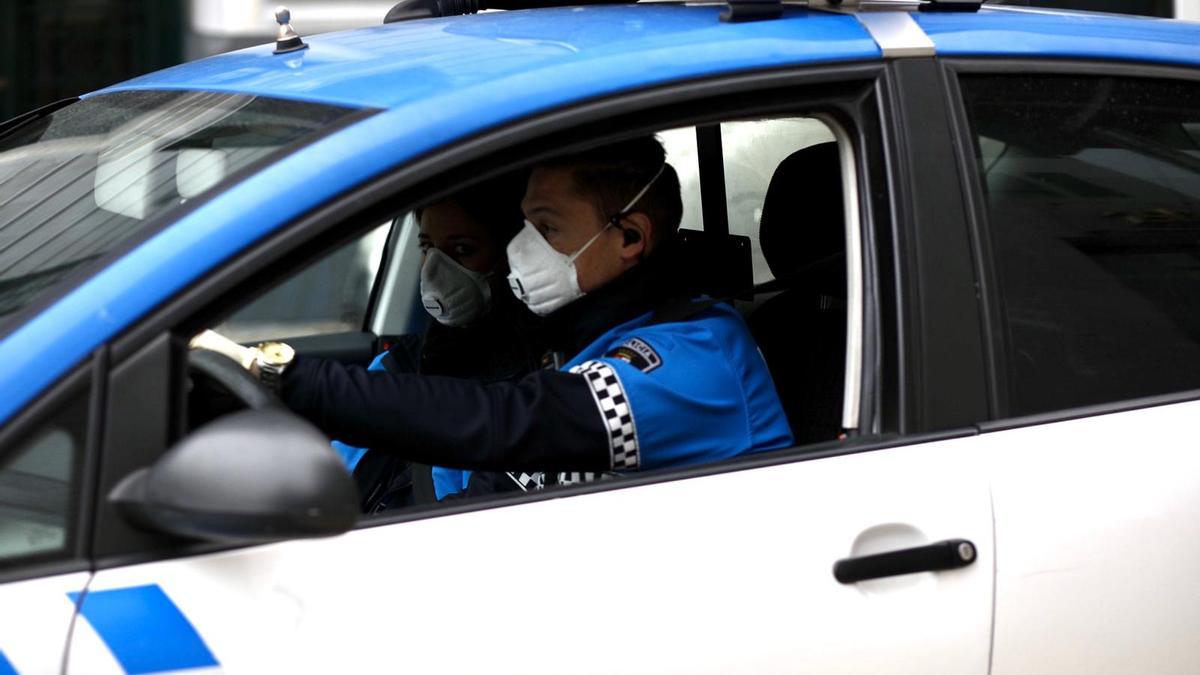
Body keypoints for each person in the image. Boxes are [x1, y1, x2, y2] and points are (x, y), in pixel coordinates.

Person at [225, 136, 794, 488]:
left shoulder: (695, 362)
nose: (523, 248)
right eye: (524, 225)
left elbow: (509, 421)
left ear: (629, 239)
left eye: (546, 228)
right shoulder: (582, 334)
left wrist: (286, 376)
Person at [335, 175, 547, 511]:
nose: (434, 269)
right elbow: (330, 479)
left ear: (514, 253)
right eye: (426, 247)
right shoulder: (403, 365)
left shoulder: (542, 391)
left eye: (462, 249)